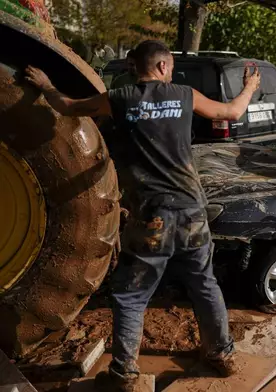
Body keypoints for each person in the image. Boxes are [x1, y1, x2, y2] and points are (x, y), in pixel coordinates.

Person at [24, 40, 261, 391]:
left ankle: (125, 374)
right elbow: (231, 113)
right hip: (192, 211)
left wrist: (45, 85)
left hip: (153, 216)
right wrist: (250, 87)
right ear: (164, 67)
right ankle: (221, 355)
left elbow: (69, 107)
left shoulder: (121, 99)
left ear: (137, 69)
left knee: (132, 295)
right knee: (204, 284)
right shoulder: (184, 95)